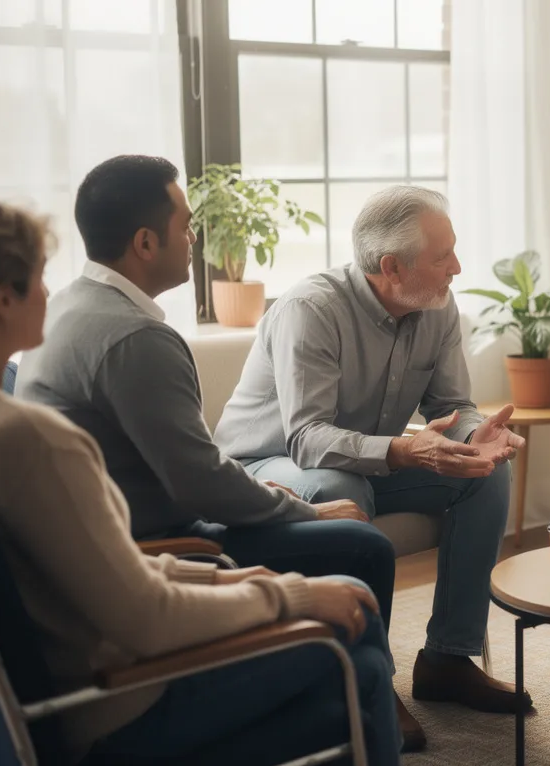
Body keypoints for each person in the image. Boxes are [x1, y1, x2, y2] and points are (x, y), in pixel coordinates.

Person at [0, 197, 402, 766]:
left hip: (66, 678)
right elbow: (146, 617)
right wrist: (289, 594)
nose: (49, 295)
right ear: (4, 300)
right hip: (112, 700)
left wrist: (232, 581)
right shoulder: (38, 441)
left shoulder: (0, 423)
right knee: (361, 652)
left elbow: (101, 565)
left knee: (345, 615)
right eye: (35, 281)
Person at [213, 184, 530, 714]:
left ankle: (448, 659)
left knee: (485, 474)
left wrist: (474, 437)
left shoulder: (438, 304)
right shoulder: (311, 309)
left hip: (369, 457)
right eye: (443, 256)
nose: (457, 266)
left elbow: (452, 403)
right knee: (342, 485)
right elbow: (308, 438)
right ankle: (368, 680)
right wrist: (406, 452)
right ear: (392, 266)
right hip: (267, 463)